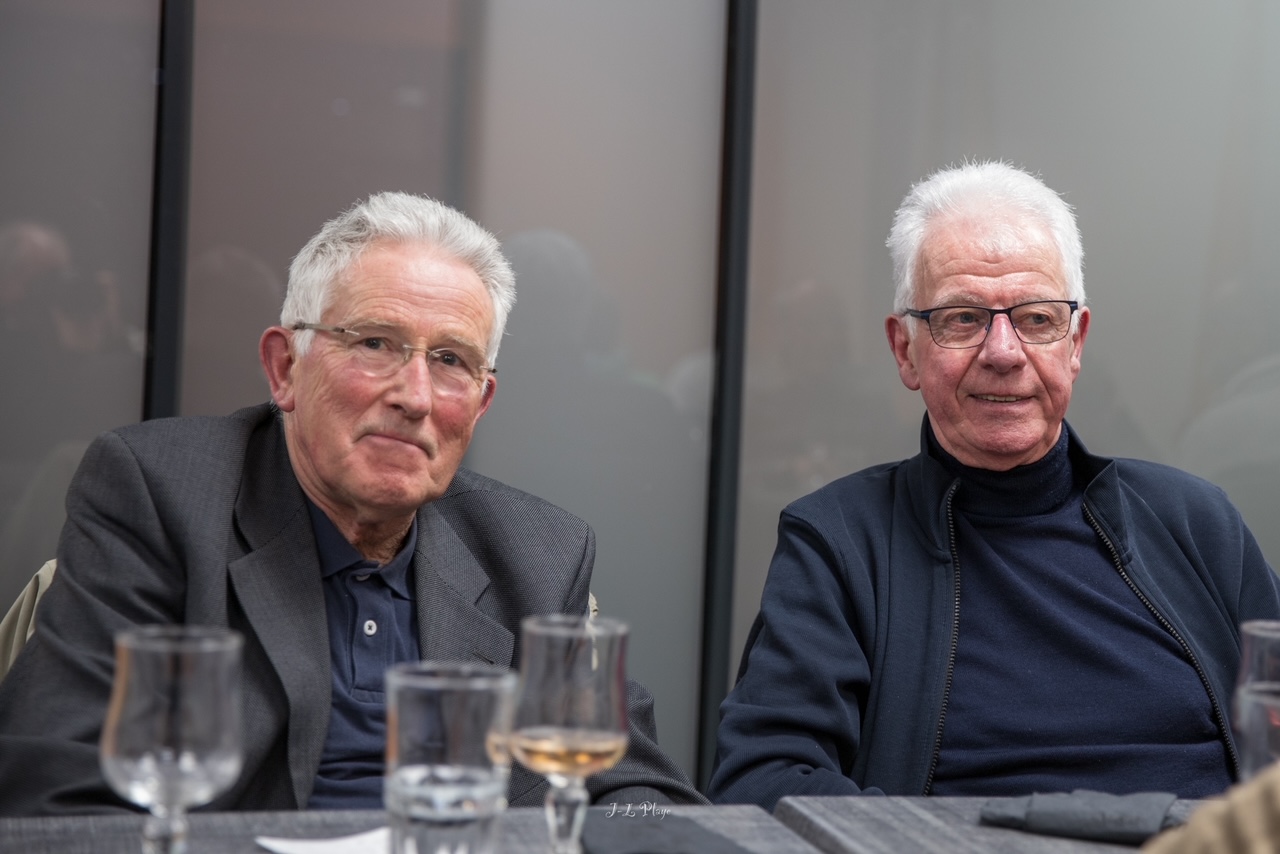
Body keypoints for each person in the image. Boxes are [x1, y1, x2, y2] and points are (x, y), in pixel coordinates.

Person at [0, 192, 703, 815]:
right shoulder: (162, 497)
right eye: (375, 343)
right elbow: (55, 796)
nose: (415, 397)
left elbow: (635, 794)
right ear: (285, 367)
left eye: (450, 361)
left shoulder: (538, 551)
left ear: (481, 403)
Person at [708, 161, 1280, 809]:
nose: (1004, 353)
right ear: (905, 351)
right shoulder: (840, 544)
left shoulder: (1196, 523)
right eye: (962, 319)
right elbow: (764, 781)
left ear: (1076, 343)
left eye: (1036, 319)